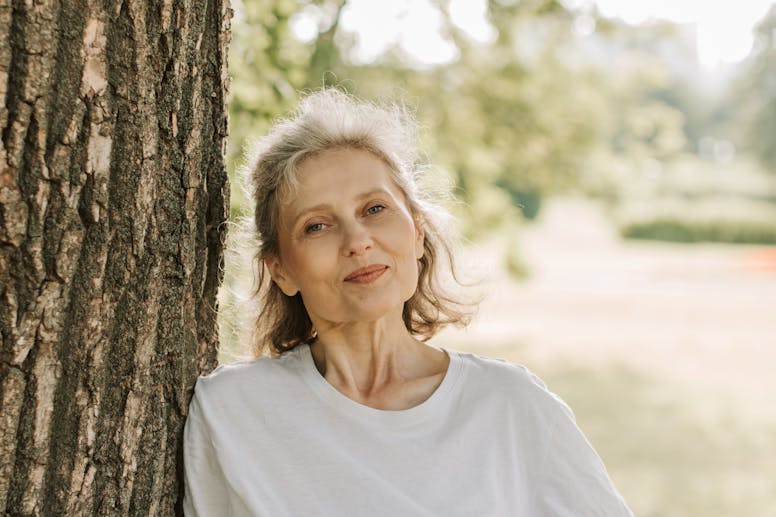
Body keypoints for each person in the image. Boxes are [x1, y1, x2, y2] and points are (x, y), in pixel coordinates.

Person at [182, 89, 633, 516]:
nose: (357, 241)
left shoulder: (512, 406)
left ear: (417, 231)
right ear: (281, 269)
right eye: (317, 226)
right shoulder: (231, 412)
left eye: (374, 209)